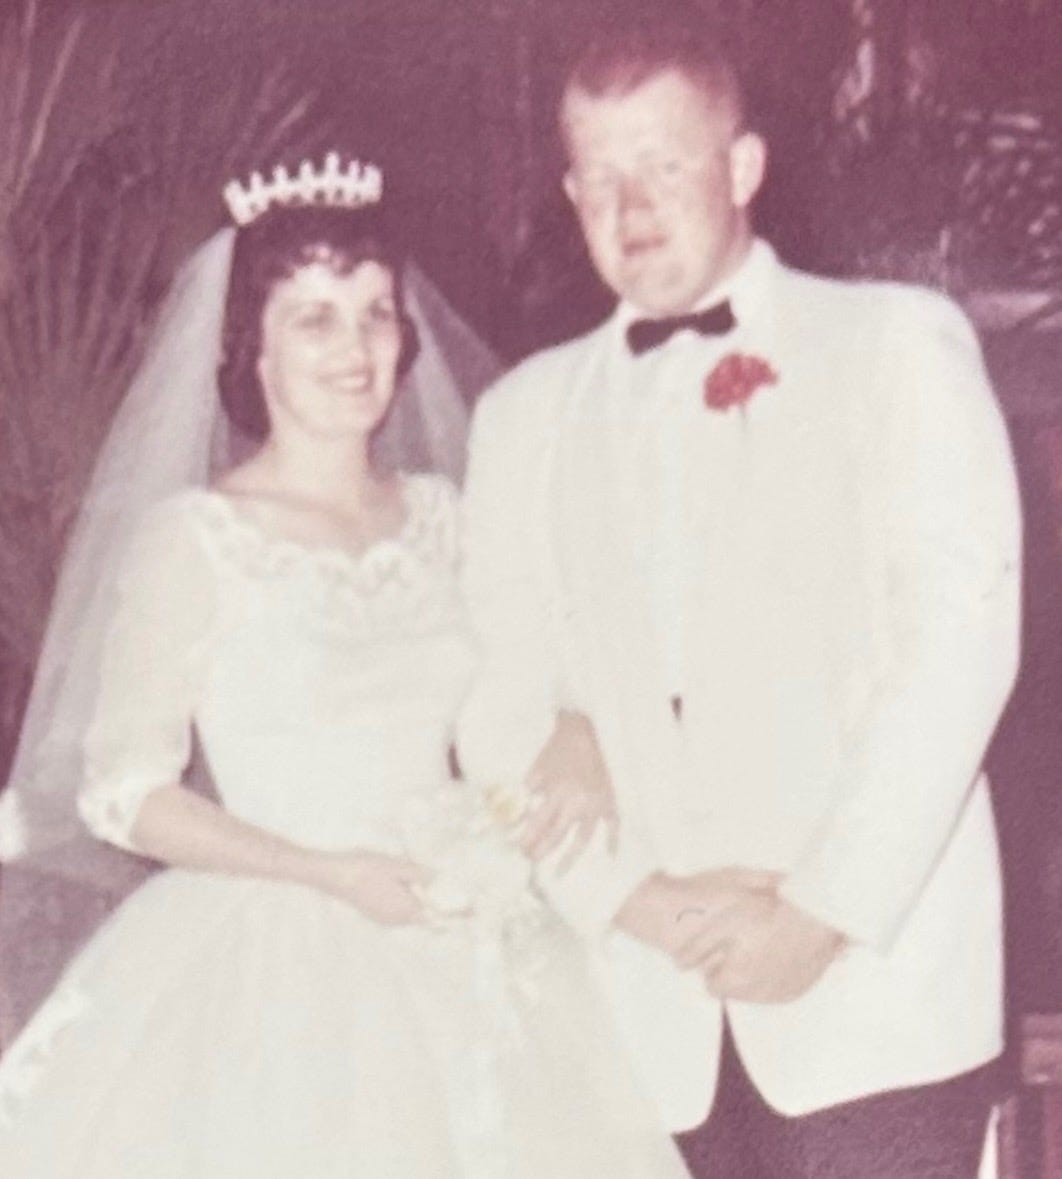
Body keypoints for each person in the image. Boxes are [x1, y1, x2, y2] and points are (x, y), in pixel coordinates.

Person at [0, 159, 690, 1178]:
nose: (356, 348)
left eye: (375, 314)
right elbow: (126, 795)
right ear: (252, 348)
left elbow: (538, 670)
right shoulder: (196, 539)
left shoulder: (447, 516)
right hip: (269, 948)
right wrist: (327, 874)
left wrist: (576, 728)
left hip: (460, 931)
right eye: (315, 320)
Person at [457, 14, 1022, 1178]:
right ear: (570, 196)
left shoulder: (895, 345)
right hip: (640, 1020)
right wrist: (636, 903)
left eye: (664, 166)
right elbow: (495, 713)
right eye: (601, 178)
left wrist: (819, 913)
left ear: (745, 166)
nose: (632, 209)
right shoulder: (522, 417)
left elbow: (958, 655)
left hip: (875, 1003)